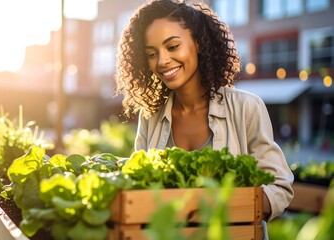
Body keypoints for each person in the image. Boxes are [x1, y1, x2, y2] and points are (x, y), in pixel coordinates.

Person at [114, 0, 294, 233]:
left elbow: (280, 188)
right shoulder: (150, 117)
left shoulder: (246, 107)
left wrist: (226, 204)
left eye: (172, 46)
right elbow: (138, 187)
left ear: (198, 43)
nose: (162, 61)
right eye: (151, 53)